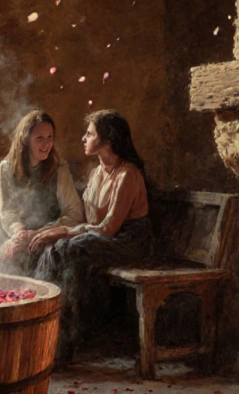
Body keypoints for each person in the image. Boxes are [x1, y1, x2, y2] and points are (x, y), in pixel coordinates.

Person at [29, 109, 151, 362]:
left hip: (128, 241)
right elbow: (88, 222)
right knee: (53, 249)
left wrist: (65, 231)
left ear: (108, 140)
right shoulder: (97, 173)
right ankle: (43, 333)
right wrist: (57, 232)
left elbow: (108, 229)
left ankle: (63, 343)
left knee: (69, 248)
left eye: (90, 134)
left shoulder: (128, 175)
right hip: (99, 239)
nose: (83, 138)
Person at [0, 110, 83, 272]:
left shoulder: (59, 168)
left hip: (45, 235)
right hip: (14, 232)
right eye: (39, 138)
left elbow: (74, 212)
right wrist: (18, 233)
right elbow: (8, 210)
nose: (46, 144)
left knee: (5, 257)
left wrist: (39, 233)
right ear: (25, 139)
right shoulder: (7, 167)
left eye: (50, 137)